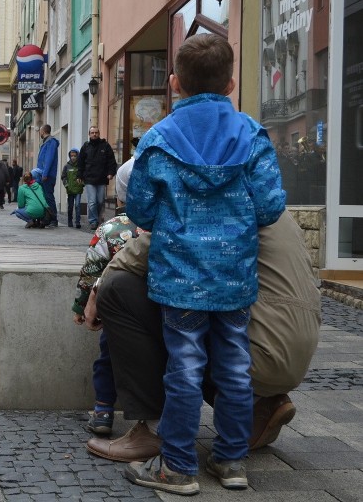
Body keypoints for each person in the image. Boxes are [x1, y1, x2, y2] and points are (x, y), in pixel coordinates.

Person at [123, 33, 286, 495]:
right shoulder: (251, 135)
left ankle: (177, 466)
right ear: (231, 83)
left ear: (175, 83)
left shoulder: (158, 139)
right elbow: (271, 206)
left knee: (185, 366)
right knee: (235, 364)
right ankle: (231, 461)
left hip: (179, 277)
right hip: (234, 275)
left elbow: (139, 209)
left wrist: (176, 225)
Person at [84, 209, 320, 461]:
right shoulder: (275, 207)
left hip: (252, 351)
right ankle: (258, 407)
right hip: (297, 347)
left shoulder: (218, 193)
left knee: (120, 289)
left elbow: (155, 244)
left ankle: (155, 431)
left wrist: (98, 287)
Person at [71, 158, 143, 437]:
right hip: (158, 309)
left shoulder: (111, 230)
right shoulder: (165, 224)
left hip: (118, 313)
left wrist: (80, 306)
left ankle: (103, 411)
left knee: (108, 358)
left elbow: (90, 270)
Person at [77, 126, 117, 230]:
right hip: (89, 179)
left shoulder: (105, 146)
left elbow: (111, 161)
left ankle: (99, 219)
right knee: (92, 202)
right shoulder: (86, 147)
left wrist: (111, 173)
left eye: (96, 132)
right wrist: (79, 175)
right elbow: (80, 163)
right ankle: (93, 221)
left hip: (102, 178)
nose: (94, 134)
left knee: (100, 201)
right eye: (92, 133)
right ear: (89, 134)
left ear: (99, 134)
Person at [36, 125, 59, 226]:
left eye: (40, 131)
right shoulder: (46, 142)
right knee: (45, 197)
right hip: (43, 174)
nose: (39, 133)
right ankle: (48, 218)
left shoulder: (51, 142)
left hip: (47, 175)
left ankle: (54, 219)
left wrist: (45, 174)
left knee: (49, 197)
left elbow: (48, 159)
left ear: (43, 131)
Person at [61, 148, 84, 228]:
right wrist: (66, 185)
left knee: (77, 205)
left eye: (74, 155)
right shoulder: (67, 166)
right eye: (71, 156)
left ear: (77, 156)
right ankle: (69, 221)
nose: (73, 157)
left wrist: (82, 183)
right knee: (70, 206)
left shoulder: (80, 166)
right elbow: (63, 177)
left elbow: (84, 176)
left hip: (78, 189)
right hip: (70, 190)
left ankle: (77, 222)